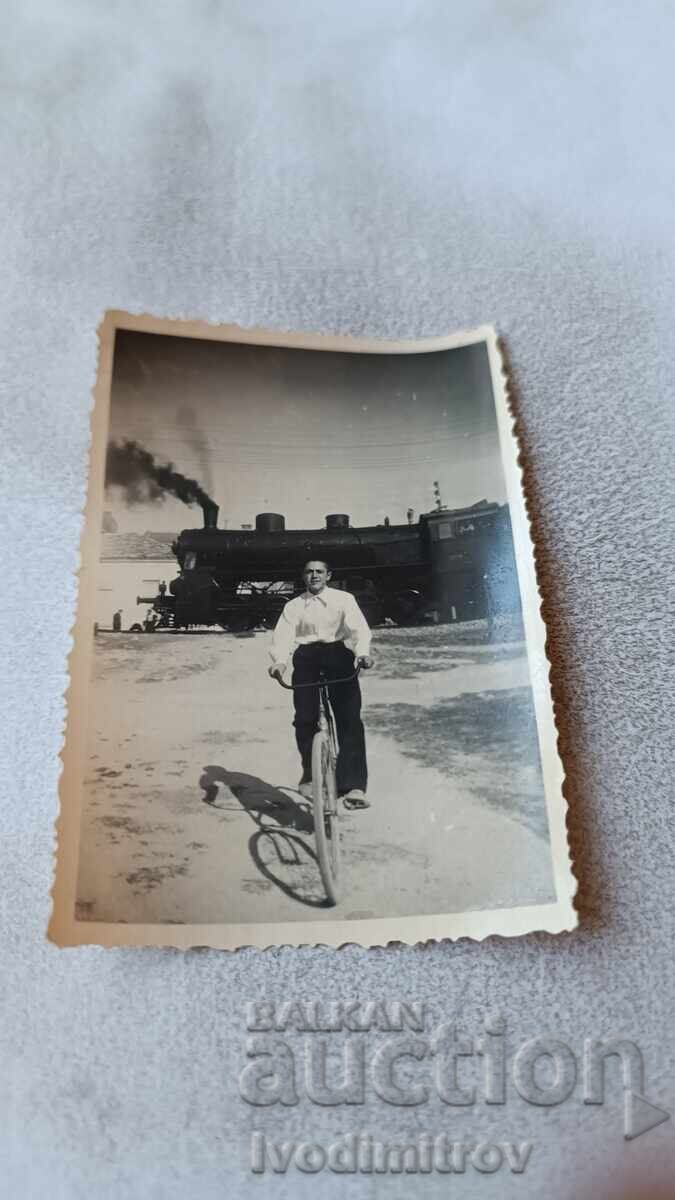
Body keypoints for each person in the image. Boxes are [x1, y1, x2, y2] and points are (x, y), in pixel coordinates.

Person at [268, 560, 373, 809]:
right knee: (305, 718)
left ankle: (354, 786)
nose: (314, 575)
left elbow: (359, 629)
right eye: (309, 571)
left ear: (328, 575)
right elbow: (283, 636)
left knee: (349, 718)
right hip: (306, 659)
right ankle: (310, 774)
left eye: (319, 571)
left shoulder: (344, 599)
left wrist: (363, 653)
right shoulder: (293, 606)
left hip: (337, 655)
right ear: (303, 576)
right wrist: (280, 662)